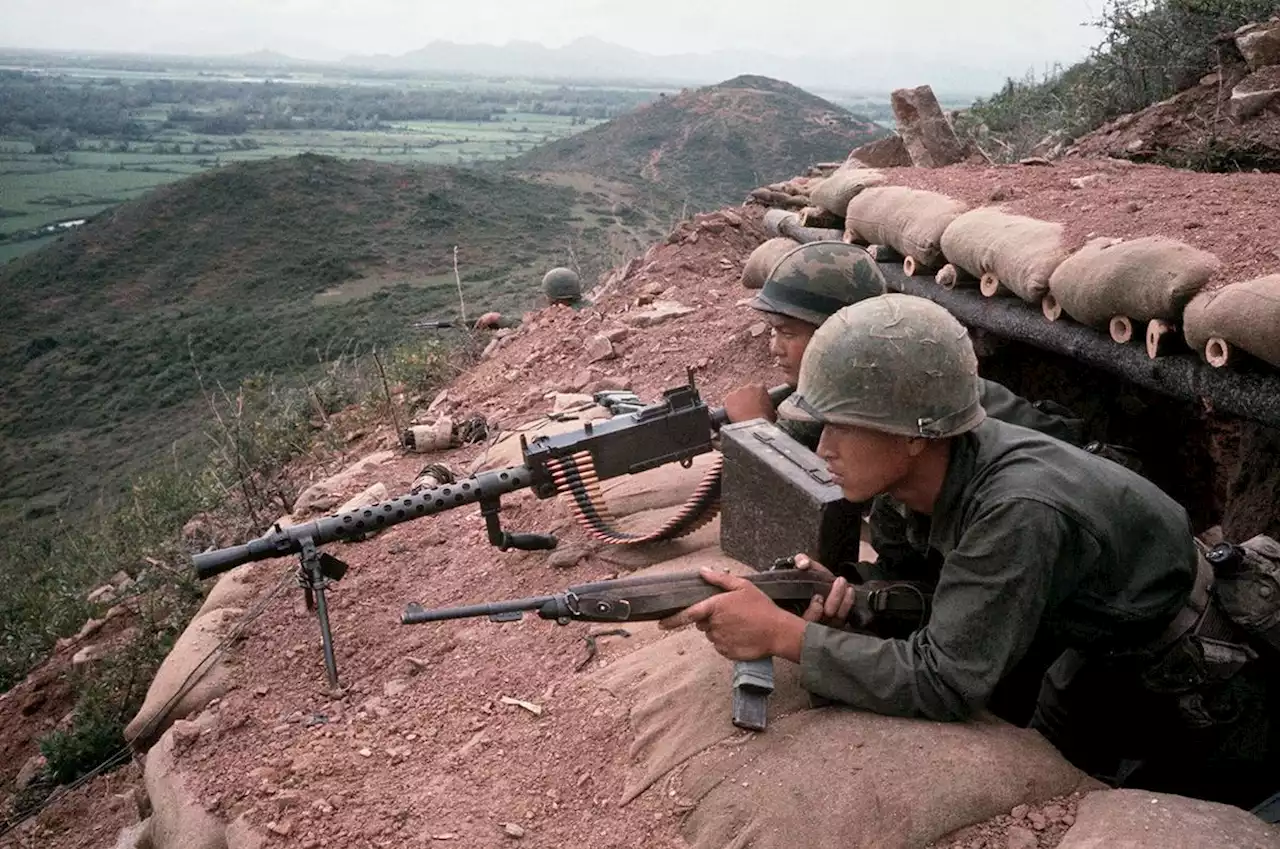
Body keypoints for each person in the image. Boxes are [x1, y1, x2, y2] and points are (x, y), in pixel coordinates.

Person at [663, 294, 1276, 810]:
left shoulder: (1016, 508)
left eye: (842, 425)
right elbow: (934, 583)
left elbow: (946, 681)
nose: (823, 447)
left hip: (1201, 678)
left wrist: (782, 637)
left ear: (910, 436)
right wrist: (855, 595)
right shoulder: (918, 475)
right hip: (1091, 646)